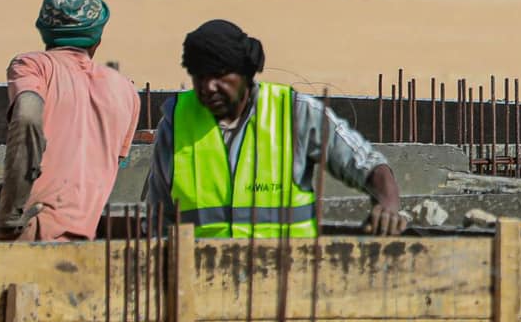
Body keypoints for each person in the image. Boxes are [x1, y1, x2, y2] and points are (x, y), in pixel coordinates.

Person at [143, 19, 408, 237]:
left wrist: (388, 207)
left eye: (220, 75)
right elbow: (157, 216)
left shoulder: (294, 113)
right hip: (204, 282)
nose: (208, 86)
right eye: (200, 76)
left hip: (289, 275)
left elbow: (369, 166)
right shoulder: (176, 121)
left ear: (246, 74)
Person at [0, 0, 139, 241]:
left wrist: (9, 212)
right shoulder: (126, 90)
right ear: (97, 38)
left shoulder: (32, 66)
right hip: (85, 241)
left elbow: (26, 116)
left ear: (44, 30)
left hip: (32, 233)